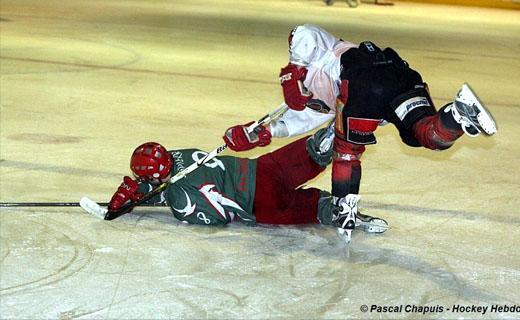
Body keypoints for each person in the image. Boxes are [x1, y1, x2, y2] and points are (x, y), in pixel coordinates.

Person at [223, 24, 497, 242]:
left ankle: (344, 208)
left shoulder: (324, 50)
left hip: (363, 82)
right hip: (399, 77)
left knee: (347, 150)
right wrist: (264, 131)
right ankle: (459, 114)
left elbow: (303, 32)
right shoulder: (324, 95)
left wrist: (292, 71)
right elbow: (304, 118)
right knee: (425, 135)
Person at [107, 127, 388, 237]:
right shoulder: (179, 155)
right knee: (297, 160)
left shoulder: (181, 198)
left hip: (258, 201)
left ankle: (334, 209)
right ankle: (323, 142)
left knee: (304, 208)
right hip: (260, 169)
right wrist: (142, 192)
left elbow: (216, 218)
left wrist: (155, 197)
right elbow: (170, 180)